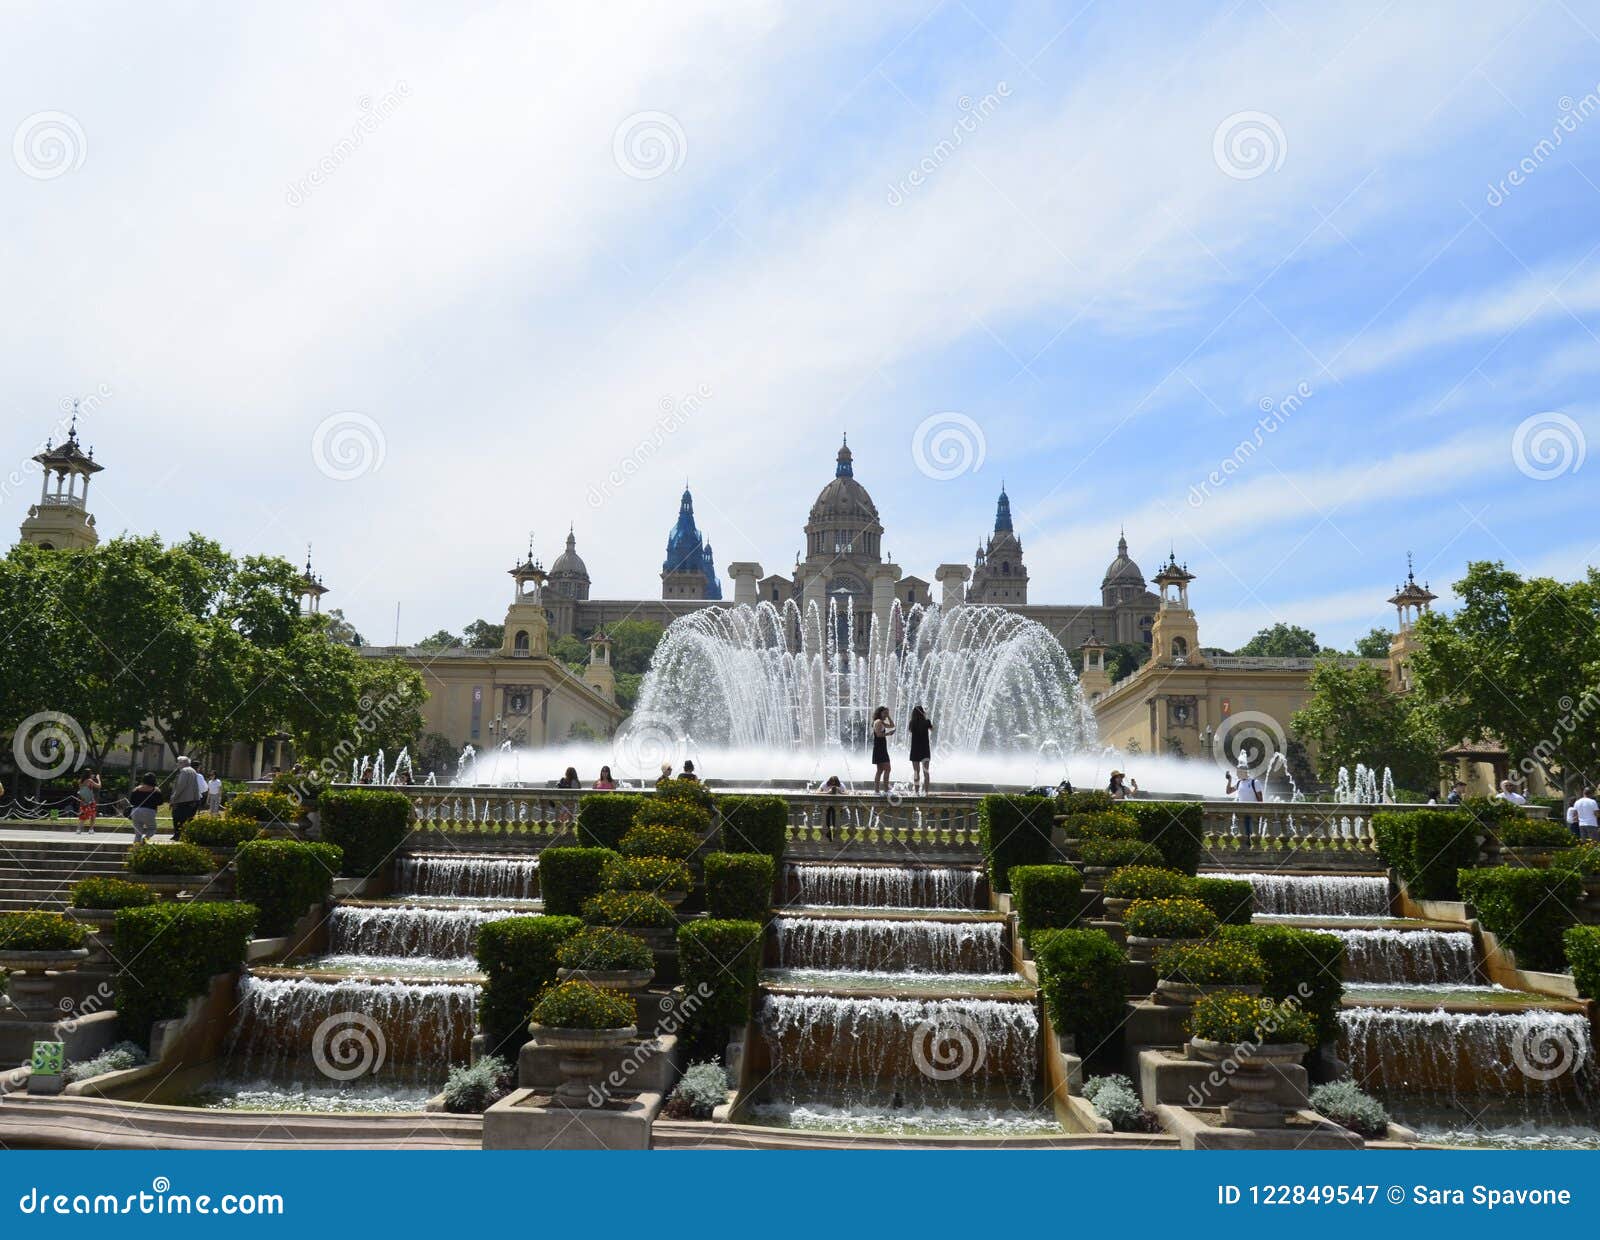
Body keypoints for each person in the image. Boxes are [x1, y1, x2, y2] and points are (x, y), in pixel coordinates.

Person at [1225, 763, 1264, 847]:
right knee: (1245, 833)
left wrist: (1260, 811)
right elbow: (1228, 791)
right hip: (1242, 812)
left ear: (1244, 772)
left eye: (1238, 772)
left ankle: (1255, 848)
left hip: (1253, 811)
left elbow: (1260, 799)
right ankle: (1248, 848)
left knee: (1253, 832)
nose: (1237, 774)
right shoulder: (1239, 783)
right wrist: (1229, 780)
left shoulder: (1254, 782)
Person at [128, 772, 165, 843]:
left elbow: (132, 802)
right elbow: (160, 802)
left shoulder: (136, 789)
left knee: (138, 833)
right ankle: (145, 840)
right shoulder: (155, 790)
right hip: (149, 812)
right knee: (152, 829)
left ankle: (135, 849)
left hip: (135, 811)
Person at [170, 757, 204, 831]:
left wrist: (173, 799)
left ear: (183, 763)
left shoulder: (184, 771)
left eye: (178, 762)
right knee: (186, 820)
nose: (177, 764)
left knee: (177, 818)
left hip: (182, 800)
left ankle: (177, 835)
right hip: (192, 800)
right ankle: (182, 835)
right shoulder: (193, 771)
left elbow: (180, 787)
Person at [907, 705, 933, 795]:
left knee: (916, 772)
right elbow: (932, 729)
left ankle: (917, 792)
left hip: (915, 749)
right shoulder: (926, 722)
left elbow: (910, 731)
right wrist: (925, 719)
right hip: (925, 749)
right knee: (926, 771)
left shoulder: (912, 723)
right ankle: (926, 792)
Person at [870, 706, 895, 795]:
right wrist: (888, 733)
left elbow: (892, 725)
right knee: (887, 769)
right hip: (880, 748)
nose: (886, 715)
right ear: (880, 713)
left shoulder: (881, 722)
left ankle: (877, 791)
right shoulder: (878, 722)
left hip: (880, 748)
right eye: (885, 713)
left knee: (880, 770)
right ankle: (885, 790)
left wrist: (888, 716)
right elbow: (878, 734)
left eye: (887, 713)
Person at [75, 768, 102, 834]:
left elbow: (84, 788)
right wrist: (98, 778)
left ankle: (78, 829)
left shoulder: (80, 781)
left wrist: (91, 778)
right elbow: (99, 786)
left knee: (83, 815)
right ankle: (91, 829)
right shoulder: (90, 780)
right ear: (89, 774)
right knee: (92, 815)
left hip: (83, 800)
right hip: (90, 800)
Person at [821, 774, 844, 840]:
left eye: (835, 783)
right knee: (826, 823)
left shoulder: (841, 785)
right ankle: (828, 838)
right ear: (829, 782)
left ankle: (836, 837)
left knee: (836, 822)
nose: (833, 785)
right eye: (831, 783)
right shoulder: (824, 784)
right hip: (826, 806)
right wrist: (827, 792)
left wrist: (840, 791)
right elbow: (817, 792)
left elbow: (847, 793)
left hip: (836, 806)